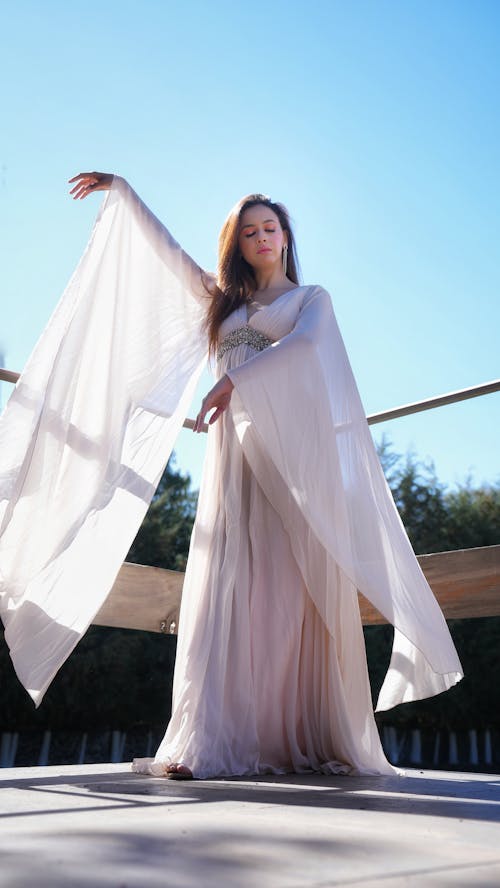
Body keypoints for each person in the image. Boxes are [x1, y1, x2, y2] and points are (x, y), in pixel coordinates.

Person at [0, 171, 463, 781]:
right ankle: (215, 740)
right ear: (237, 244)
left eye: (270, 228)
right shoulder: (223, 302)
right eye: (249, 231)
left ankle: (291, 734)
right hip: (232, 466)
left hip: (291, 467)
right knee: (229, 587)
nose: (262, 237)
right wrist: (124, 192)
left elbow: (303, 349)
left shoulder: (310, 300)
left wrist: (232, 378)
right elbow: (165, 257)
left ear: (285, 237)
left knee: (287, 592)